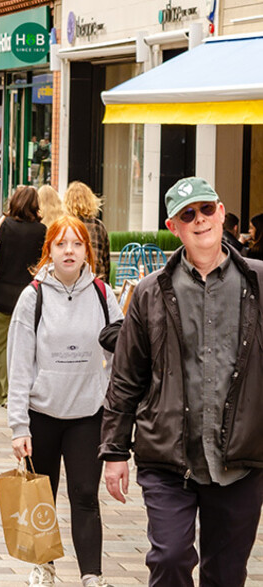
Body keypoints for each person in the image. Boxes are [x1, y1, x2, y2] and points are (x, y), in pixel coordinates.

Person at [103, 178, 263, 586]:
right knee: (170, 558)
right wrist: (115, 451)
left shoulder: (259, 283)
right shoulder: (149, 292)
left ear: (222, 213)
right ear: (173, 227)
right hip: (169, 457)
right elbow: (126, 378)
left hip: (241, 460)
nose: (200, 220)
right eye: (188, 214)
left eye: (207, 209)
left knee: (226, 575)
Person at [9, 215, 122, 587]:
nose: (69, 251)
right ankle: (44, 566)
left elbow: (124, 353)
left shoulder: (104, 295)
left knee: (86, 494)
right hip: (42, 412)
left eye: (76, 244)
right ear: (49, 252)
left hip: (88, 414)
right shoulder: (33, 297)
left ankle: (92, 574)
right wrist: (17, 426)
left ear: (87, 250)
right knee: (42, 496)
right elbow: (20, 364)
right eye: (61, 244)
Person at [0, 186, 46, 407]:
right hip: (29, 297)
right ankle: (23, 391)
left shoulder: (1, 225)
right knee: (27, 348)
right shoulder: (42, 231)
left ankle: (5, 394)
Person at [63, 181, 109, 281]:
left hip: (71, 282)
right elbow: (106, 261)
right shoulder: (98, 226)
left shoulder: (64, 226)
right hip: (96, 281)